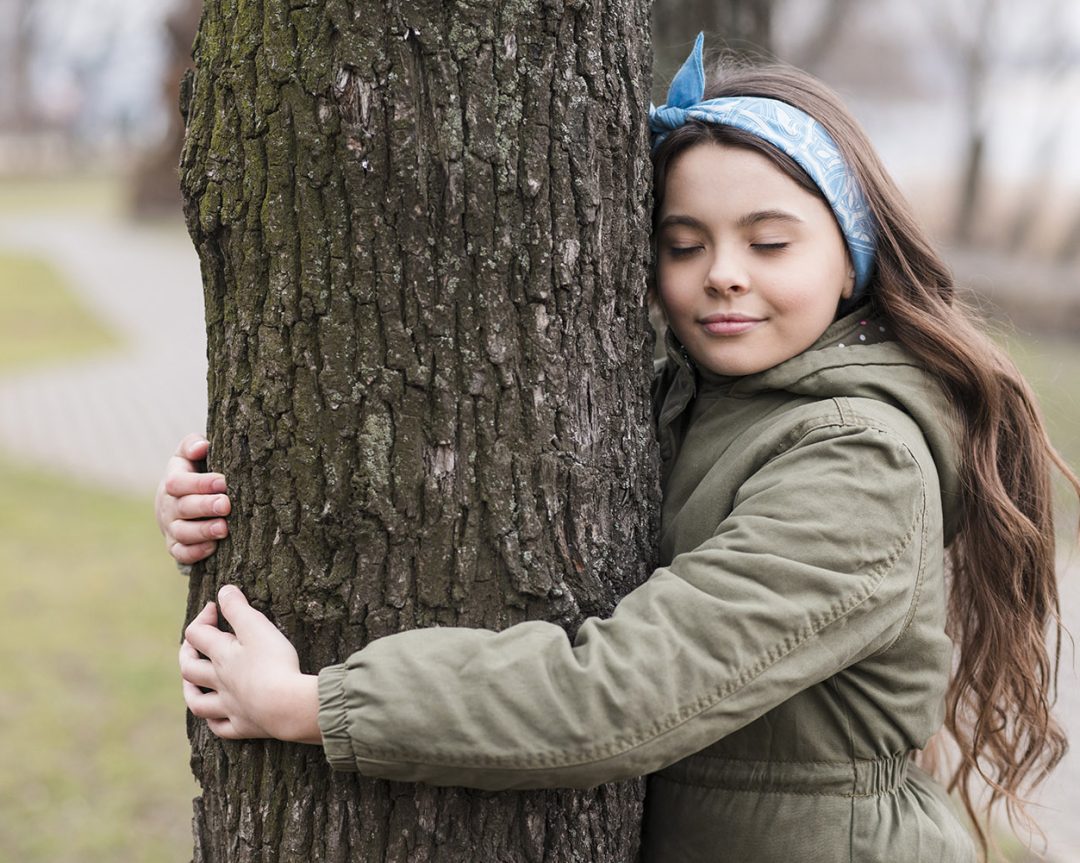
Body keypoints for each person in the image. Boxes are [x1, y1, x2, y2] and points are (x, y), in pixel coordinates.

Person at [159, 34, 1079, 862]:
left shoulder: (858, 462)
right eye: (684, 245)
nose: (723, 272)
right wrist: (219, 501)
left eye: (769, 242)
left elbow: (620, 692)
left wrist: (318, 704)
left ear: (852, 262)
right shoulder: (691, 400)